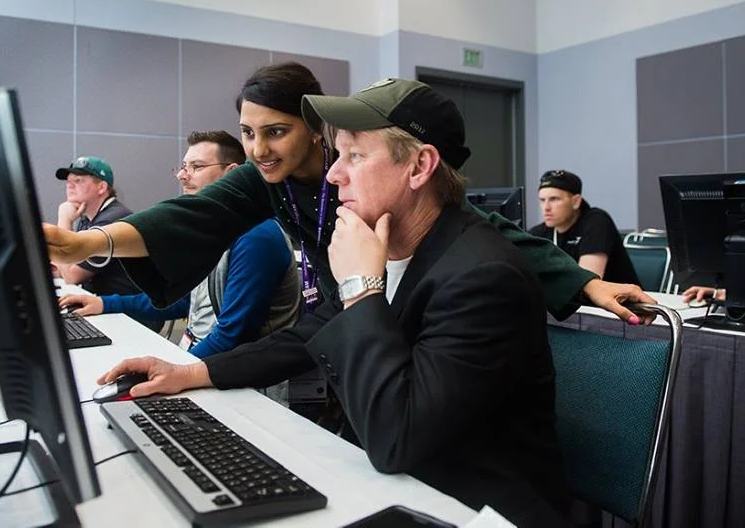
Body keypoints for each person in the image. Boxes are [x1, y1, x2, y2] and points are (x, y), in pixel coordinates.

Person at [94, 79, 570, 525]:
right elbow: (306, 335)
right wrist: (193, 373)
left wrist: (361, 286)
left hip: (474, 508)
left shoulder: (482, 277)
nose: (335, 174)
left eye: (355, 156)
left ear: (419, 167)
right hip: (405, 485)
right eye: (337, 155)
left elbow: (397, 438)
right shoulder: (400, 247)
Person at [44, 62, 655, 327]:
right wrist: (84, 243)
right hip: (344, 320)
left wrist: (585, 284)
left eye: (276, 132)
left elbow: (483, 227)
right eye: (248, 134)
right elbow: (188, 216)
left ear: (315, 128)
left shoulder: (367, 180)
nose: (258, 149)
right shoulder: (267, 179)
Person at [58, 131, 300, 358]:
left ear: (232, 173)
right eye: (184, 167)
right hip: (201, 360)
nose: (182, 175)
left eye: (197, 167)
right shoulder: (209, 230)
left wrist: (176, 370)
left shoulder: (257, 236)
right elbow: (186, 301)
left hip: (236, 378)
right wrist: (105, 303)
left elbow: (232, 337)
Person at [529, 169, 640, 285]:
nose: (546, 207)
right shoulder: (538, 233)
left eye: (554, 199)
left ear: (576, 202)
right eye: (542, 200)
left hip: (620, 296)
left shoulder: (596, 221)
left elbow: (586, 283)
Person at [54, 156, 139, 296]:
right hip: (99, 302)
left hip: (121, 307)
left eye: (78, 181)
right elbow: (64, 267)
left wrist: (64, 220)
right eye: (68, 181)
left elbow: (71, 276)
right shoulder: (88, 218)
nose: (69, 186)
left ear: (101, 187)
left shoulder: (112, 220)